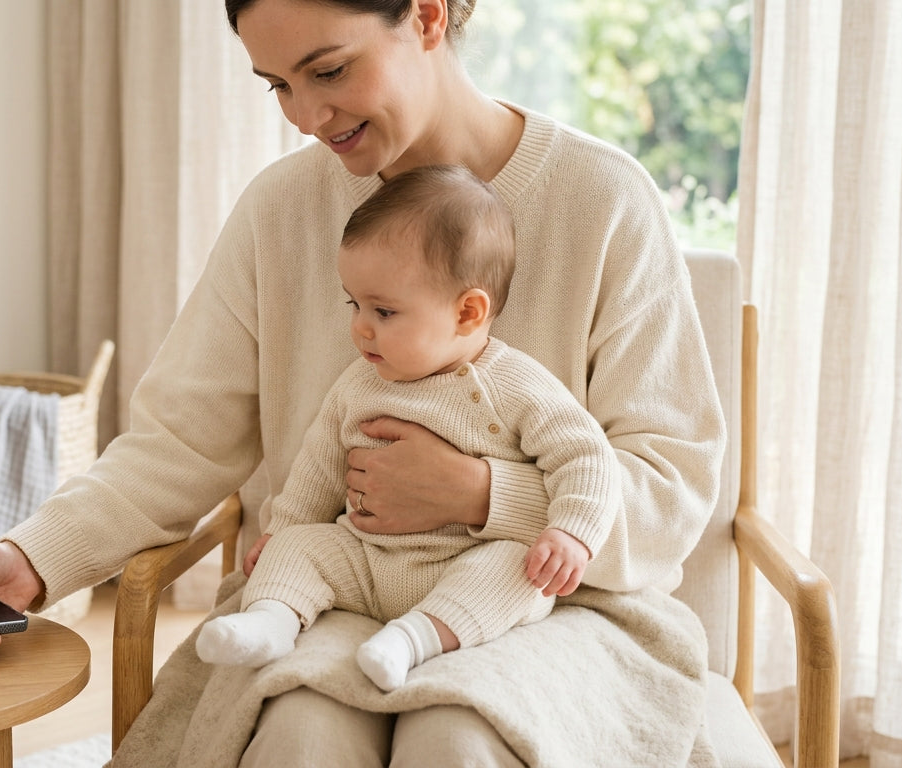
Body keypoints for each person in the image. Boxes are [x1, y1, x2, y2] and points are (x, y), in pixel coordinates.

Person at [0, 0, 725, 764]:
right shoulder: (281, 209)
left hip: (558, 605)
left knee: (457, 735)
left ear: (429, 15)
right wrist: (31, 558)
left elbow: (670, 488)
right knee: (302, 729)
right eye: (278, 86)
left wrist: (481, 495)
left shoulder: (603, 200)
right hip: (339, 593)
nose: (305, 117)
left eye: (328, 72)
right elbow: (176, 441)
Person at [195, 164, 618, 692]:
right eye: (355, 304)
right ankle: (272, 623)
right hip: (364, 560)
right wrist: (284, 529)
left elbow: (587, 457)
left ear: (467, 312)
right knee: (299, 545)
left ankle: (412, 641)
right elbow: (319, 464)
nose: (360, 328)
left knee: (522, 573)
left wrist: (571, 531)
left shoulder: (517, 384)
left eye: (385, 311)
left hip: (461, 564)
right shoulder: (360, 382)